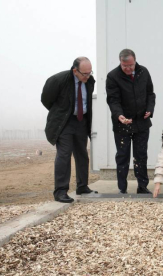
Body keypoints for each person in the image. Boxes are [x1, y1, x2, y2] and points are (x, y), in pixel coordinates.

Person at [41, 57, 97, 203]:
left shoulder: (89, 81)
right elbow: (46, 100)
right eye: (84, 74)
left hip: (81, 121)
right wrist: (62, 112)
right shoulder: (58, 80)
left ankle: (82, 186)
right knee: (64, 155)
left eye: (90, 73)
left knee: (82, 154)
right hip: (64, 122)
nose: (87, 76)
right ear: (74, 71)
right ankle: (60, 191)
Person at [106, 49, 156, 194]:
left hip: (142, 122)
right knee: (123, 156)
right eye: (124, 66)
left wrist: (150, 109)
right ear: (120, 62)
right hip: (123, 123)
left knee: (141, 155)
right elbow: (113, 100)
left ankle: (142, 186)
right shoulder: (113, 76)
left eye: (130, 65)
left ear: (135, 61)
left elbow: (150, 94)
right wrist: (119, 115)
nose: (128, 68)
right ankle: (122, 188)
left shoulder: (143, 72)